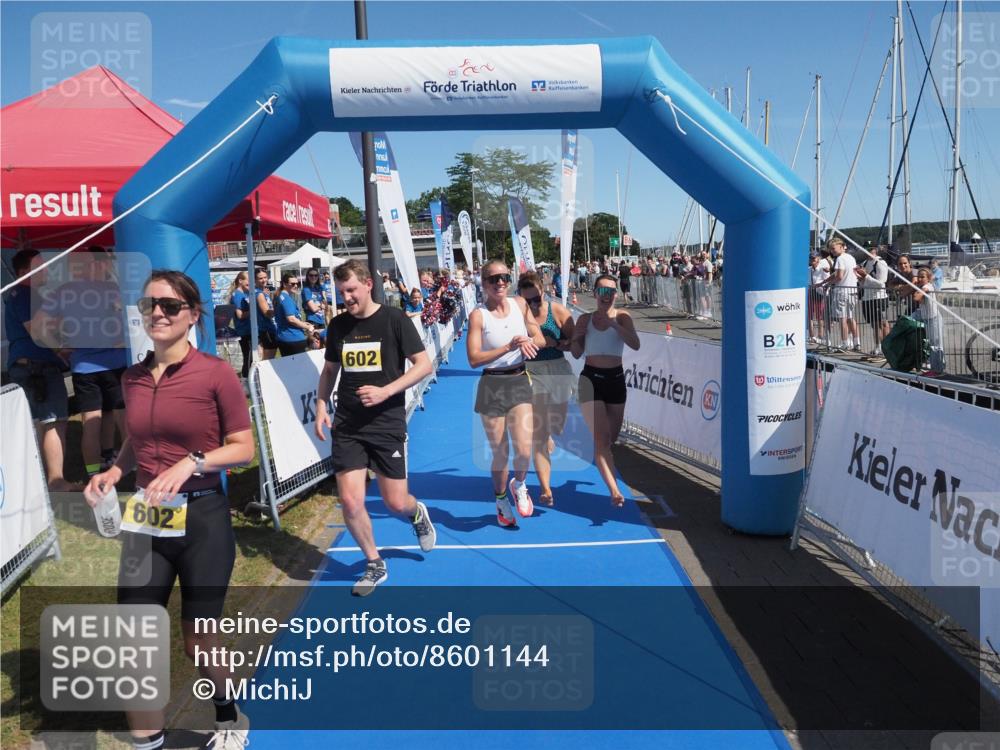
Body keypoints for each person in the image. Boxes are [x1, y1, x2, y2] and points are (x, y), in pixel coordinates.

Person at [84, 270, 255, 750]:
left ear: (192, 315)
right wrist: (115, 472)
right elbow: (137, 443)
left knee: (197, 641)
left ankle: (227, 716)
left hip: (202, 519)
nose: (157, 313)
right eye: (149, 305)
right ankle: (149, 743)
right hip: (147, 522)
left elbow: (243, 447)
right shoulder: (132, 377)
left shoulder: (215, 373)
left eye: (169, 306)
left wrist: (194, 461)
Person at [314, 260, 435, 595]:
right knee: (351, 502)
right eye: (341, 293)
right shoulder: (338, 326)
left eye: (351, 290)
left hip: (386, 422)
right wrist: (322, 407)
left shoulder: (394, 320)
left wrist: (386, 390)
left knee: (395, 502)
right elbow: (329, 371)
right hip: (348, 423)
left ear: (368, 284)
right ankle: (373, 562)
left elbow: (424, 364)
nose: (347, 298)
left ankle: (415, 513)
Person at [466, 259, 546, 526]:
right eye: (493, 279)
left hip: (519, 380)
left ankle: (519, 484)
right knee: (500, 452)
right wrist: (509, 346)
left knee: (524, 448)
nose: (500, 282)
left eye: (504, 277)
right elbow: (474, 359)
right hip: (492, 385)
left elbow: (540, 338)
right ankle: (501, 501)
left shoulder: (520, 304)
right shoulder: (479, 315)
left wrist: (528, 340)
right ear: (484, 283)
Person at [46, 246, 129, 476]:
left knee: (91, 422)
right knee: (123, 420)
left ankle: (93, 473)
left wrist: (58, 348)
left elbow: (42, 324)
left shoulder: (62, 292)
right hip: (115, 363)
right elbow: (129, 323)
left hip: (84, 367)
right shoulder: (113, 290)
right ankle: (127, 467)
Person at [3, 249, 79, 491]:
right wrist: (60, 351)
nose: (46, 270)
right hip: (39, 366)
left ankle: (34, 481)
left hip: (28, 365)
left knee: (36, 422)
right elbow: (37, 331)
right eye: (41, 266)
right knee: (54, 421)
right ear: (26, 271)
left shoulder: (22, 295)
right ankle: (56, 481)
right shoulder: (24, 294)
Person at [570, 274, 640, 506]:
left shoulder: (623, 317)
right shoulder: (585, 319)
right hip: (590, 380)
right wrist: (577, 339)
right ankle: (614, 490)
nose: (606, 296)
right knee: (601, 440)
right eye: (602, 291)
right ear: (594, 294)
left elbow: (635, 344)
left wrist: (612, 324)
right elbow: (577, 353)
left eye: (610, 292)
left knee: (610, 440)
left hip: (615, 380)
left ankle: (604, 463)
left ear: (616, 295)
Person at [517, 272, 575, 506]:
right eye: (527, 301)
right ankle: (545, 488)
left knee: (557, 426)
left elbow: (576, 344)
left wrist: (558, 343)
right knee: (539, 433)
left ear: (544, 291)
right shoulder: (518, 315)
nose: (532, 305)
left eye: (536, 300)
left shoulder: (557, 311)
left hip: (558, 368)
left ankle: (550, 432)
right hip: (532, 371)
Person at [818, 237, 860, 351]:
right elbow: (839, 273)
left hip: (842, 291)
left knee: (842, 318)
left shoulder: (840, 259)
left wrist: (829, 284)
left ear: (841, 247)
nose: (832, 251)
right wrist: (824, 281)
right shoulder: (851, 258)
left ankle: (845, 342)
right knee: (851, 317)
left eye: (833, 248)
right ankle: (857, 342)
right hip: (853, 290)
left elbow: (839, 276)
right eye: (831, 249)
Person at [855, 245, 890, 355]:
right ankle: (878, 346)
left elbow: (881, 283)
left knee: (883, 324)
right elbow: (864, 283)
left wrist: (866, 276)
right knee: (874, 325)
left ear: (875, 250)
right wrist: (859, 278)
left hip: (879, 297)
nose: (868, 251)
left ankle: (887, 348)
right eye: (865, 249)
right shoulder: (865, 263)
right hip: (867, 297)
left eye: (870, 249)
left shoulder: (880, 263)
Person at [912, 266, 946, 375]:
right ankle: (937, 369)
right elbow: (920, 300)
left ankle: (937, 370)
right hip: (929, 319)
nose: (920, 279)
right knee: (933, 344)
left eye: (923, 277)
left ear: (928, 278)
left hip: (934, 319)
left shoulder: (928, 286)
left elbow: (917, 298)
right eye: (919, 276)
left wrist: (918, 289)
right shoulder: (923, 287)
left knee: (936, 345)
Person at [273, 271, 312, 357]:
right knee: (299, 368)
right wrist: (308, 327)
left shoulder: (281, 296)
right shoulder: (286, 298)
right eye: (292, 284)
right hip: (293, 338)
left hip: (286, 337)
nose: (295, 286)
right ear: (284, 284)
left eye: (297, 284)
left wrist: (303, 323)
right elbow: (291, 319)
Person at [227, 271, 253, 378]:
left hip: (250, 329)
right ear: (240, 281)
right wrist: (254, 311)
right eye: (248, 280)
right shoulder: (237, 295)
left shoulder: (245, 293)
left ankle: (249, 378)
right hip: (244, 331)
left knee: (251, 356)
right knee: (248, 356)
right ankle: (246, 380)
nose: (251, 282)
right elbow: (240, 315)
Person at [253, 269, 278, 360]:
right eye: (260, 278)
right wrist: (279, 308)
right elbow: (266, 313)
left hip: (269, 328)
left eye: (265, 277)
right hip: (267, 329)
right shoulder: (259, 294)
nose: (264, 280)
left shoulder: (262, 292)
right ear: (255, 280)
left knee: (266, 358)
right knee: (268, 360)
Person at [808, 253, 831, 346]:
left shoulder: (823, 269)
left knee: (820, 316)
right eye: (811, 258)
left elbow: (828, 280)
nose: (813, 259)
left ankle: (820, 336)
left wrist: (823, 288)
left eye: (814, 258)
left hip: (820, 293)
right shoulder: (808, 269)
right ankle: (812, 336)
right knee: (810, 315)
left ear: (818, 259)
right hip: (811, 292)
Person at [302, 268, 328, 348]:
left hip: (321, 319)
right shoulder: (306, 290)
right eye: (311, 275)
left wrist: (322, 305)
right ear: (307, 277)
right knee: (315, 346)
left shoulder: (319, 288)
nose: (313, 277)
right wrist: (320, 306)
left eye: (316, 275)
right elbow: (313, 308)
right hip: (312, 320)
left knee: (324, 346)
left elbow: (325, 304)